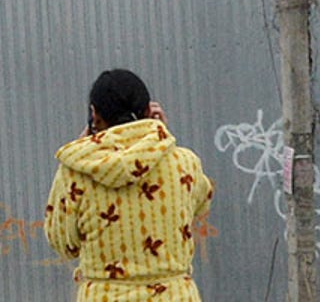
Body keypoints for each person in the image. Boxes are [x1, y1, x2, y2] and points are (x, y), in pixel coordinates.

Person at [44, 69, 214, 301]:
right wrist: (162, 139)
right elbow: (201, 204)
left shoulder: (76, 172)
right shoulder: (185, 163)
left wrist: (81, 150)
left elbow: (62, 242)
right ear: (149, 111)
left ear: (94, 116)